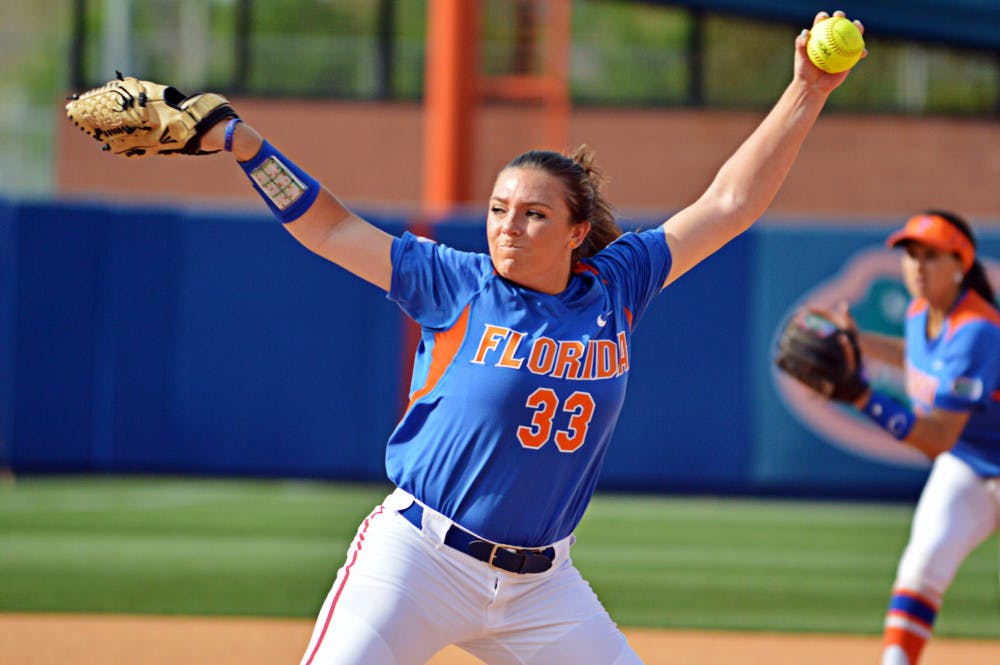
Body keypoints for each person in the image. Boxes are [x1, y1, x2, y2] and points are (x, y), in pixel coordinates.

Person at [190, 11, 861, 665]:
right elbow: (330, 228)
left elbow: (727, 204)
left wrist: (806, 90)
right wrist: (246, 145)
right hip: (420, 560)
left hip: (541, 588)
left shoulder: (616, 285)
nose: (509, 225)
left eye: (535, 213)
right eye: (498, 208)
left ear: (576, 232)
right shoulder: (456, 283)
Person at [811, 211, 1000, 665]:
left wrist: (864, 399)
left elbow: (936, 437)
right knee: (921, 569)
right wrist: (860, 342)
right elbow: (917, 359)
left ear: (960, 265)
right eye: (911, 255)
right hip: (970, 464)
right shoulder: (921, 314)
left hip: (958, 450)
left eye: (931, 256)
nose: (917, 266)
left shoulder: (977, 329)